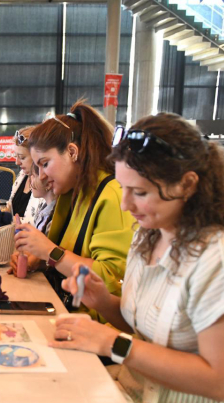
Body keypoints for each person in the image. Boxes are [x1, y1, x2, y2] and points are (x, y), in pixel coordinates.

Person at [2, 113, 224, 403]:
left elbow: (220, 381)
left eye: (140, 192)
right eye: (124, 188)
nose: (127, 204)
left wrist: (111, 342)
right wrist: (104, 302)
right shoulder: (151, 238)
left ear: (187, 184)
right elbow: (147, 326)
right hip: (139, 397)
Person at [12, 101, 136, 319]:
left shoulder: (111, 195)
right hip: (66, 310)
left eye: (45, 164)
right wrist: (40, 260)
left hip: (94, 324)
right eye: (37, 168)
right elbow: (71, 259)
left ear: (72, 151)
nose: (42, 176)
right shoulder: (72, 193)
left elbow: (111, 280)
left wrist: (50, 252)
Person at [0, 126, 45, 223]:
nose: (17, 162)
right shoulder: (22, 176)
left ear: (37, 156)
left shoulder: (45, 185)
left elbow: (38, 224)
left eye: (22, 157)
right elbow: (11, 211)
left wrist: (7, 219)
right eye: (15, 156)